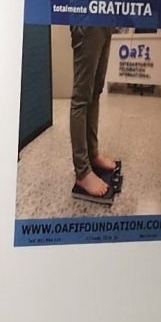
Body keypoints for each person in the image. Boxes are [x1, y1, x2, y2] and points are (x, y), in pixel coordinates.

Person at [67, 24, 121, 203]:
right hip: (87, 13)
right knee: (82, 98)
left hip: (104, 17)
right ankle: (82, 172)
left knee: (95, 92)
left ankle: (93, 155)